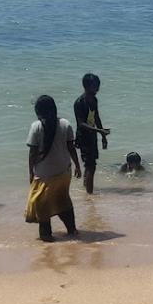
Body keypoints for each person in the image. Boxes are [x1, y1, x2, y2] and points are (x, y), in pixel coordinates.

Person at [25, 95, 80, 242]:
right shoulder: (65, 124)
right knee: (62, 200)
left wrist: (30, 172)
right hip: (64, 172)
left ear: (38, 111)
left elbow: (32, 153)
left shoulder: (36, 127)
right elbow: (71, 148)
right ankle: (72, 230)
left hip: (44, 174)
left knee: (42, 205)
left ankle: (46, 236)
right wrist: (78, 166)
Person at [74, 73, 110, 194]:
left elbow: (97, 117)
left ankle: (86, 188)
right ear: (87, 86)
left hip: (92, 136)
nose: (97, 89)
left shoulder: (94, 100)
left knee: (90, 164)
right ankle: (90, 194)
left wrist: (103, 135)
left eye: (98, 86)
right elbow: (81, 123)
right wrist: (99, 131)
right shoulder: (79, 102)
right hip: (83, 137)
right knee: (91, 165)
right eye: (95, 86)